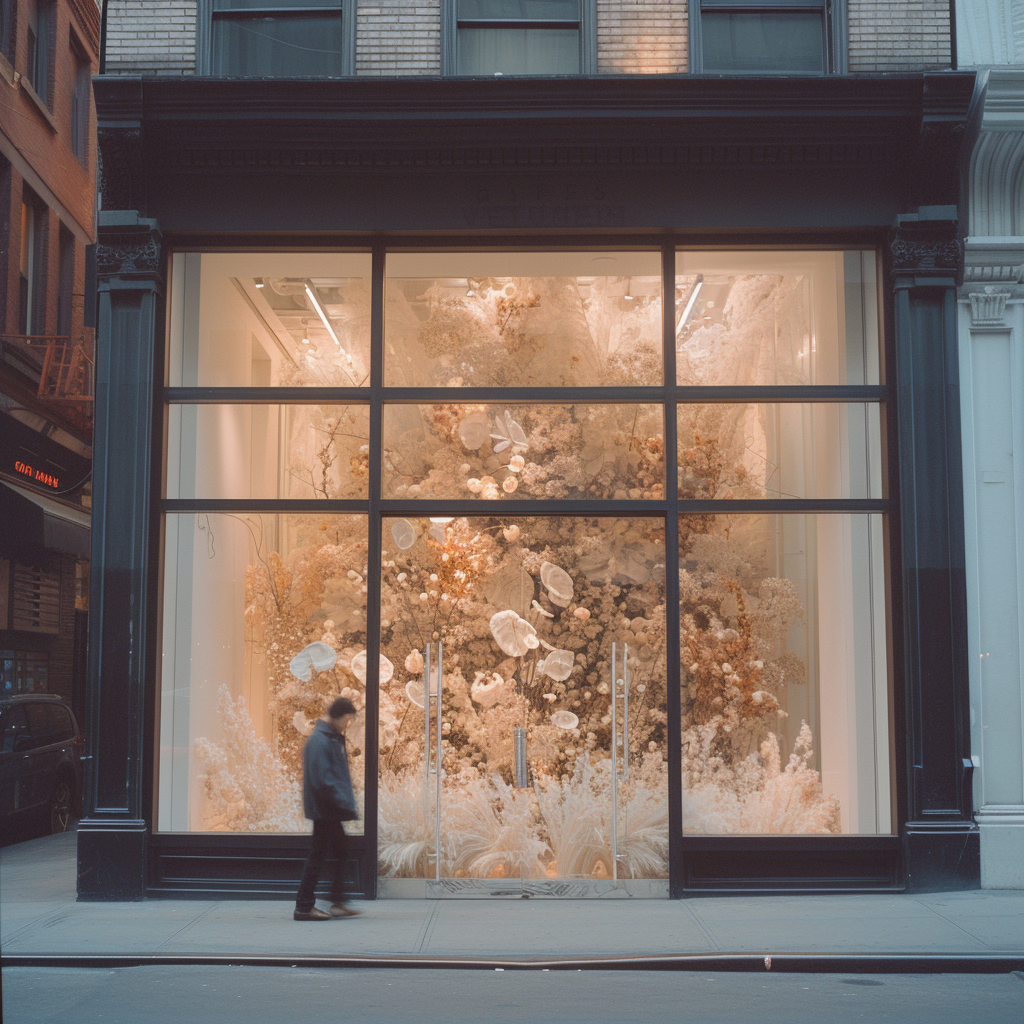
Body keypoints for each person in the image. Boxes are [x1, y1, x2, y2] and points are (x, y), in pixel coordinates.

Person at [294, 697, 362, 921]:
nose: (347, 724)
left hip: (329, 808)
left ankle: (337, 901)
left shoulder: (330, 738)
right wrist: (342, 800)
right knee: (318, 855)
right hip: (325, 809)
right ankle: (304, 906)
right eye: (347, 719)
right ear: (339, 716)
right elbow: (323, 779)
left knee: (340, 851)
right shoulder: (320, 741)